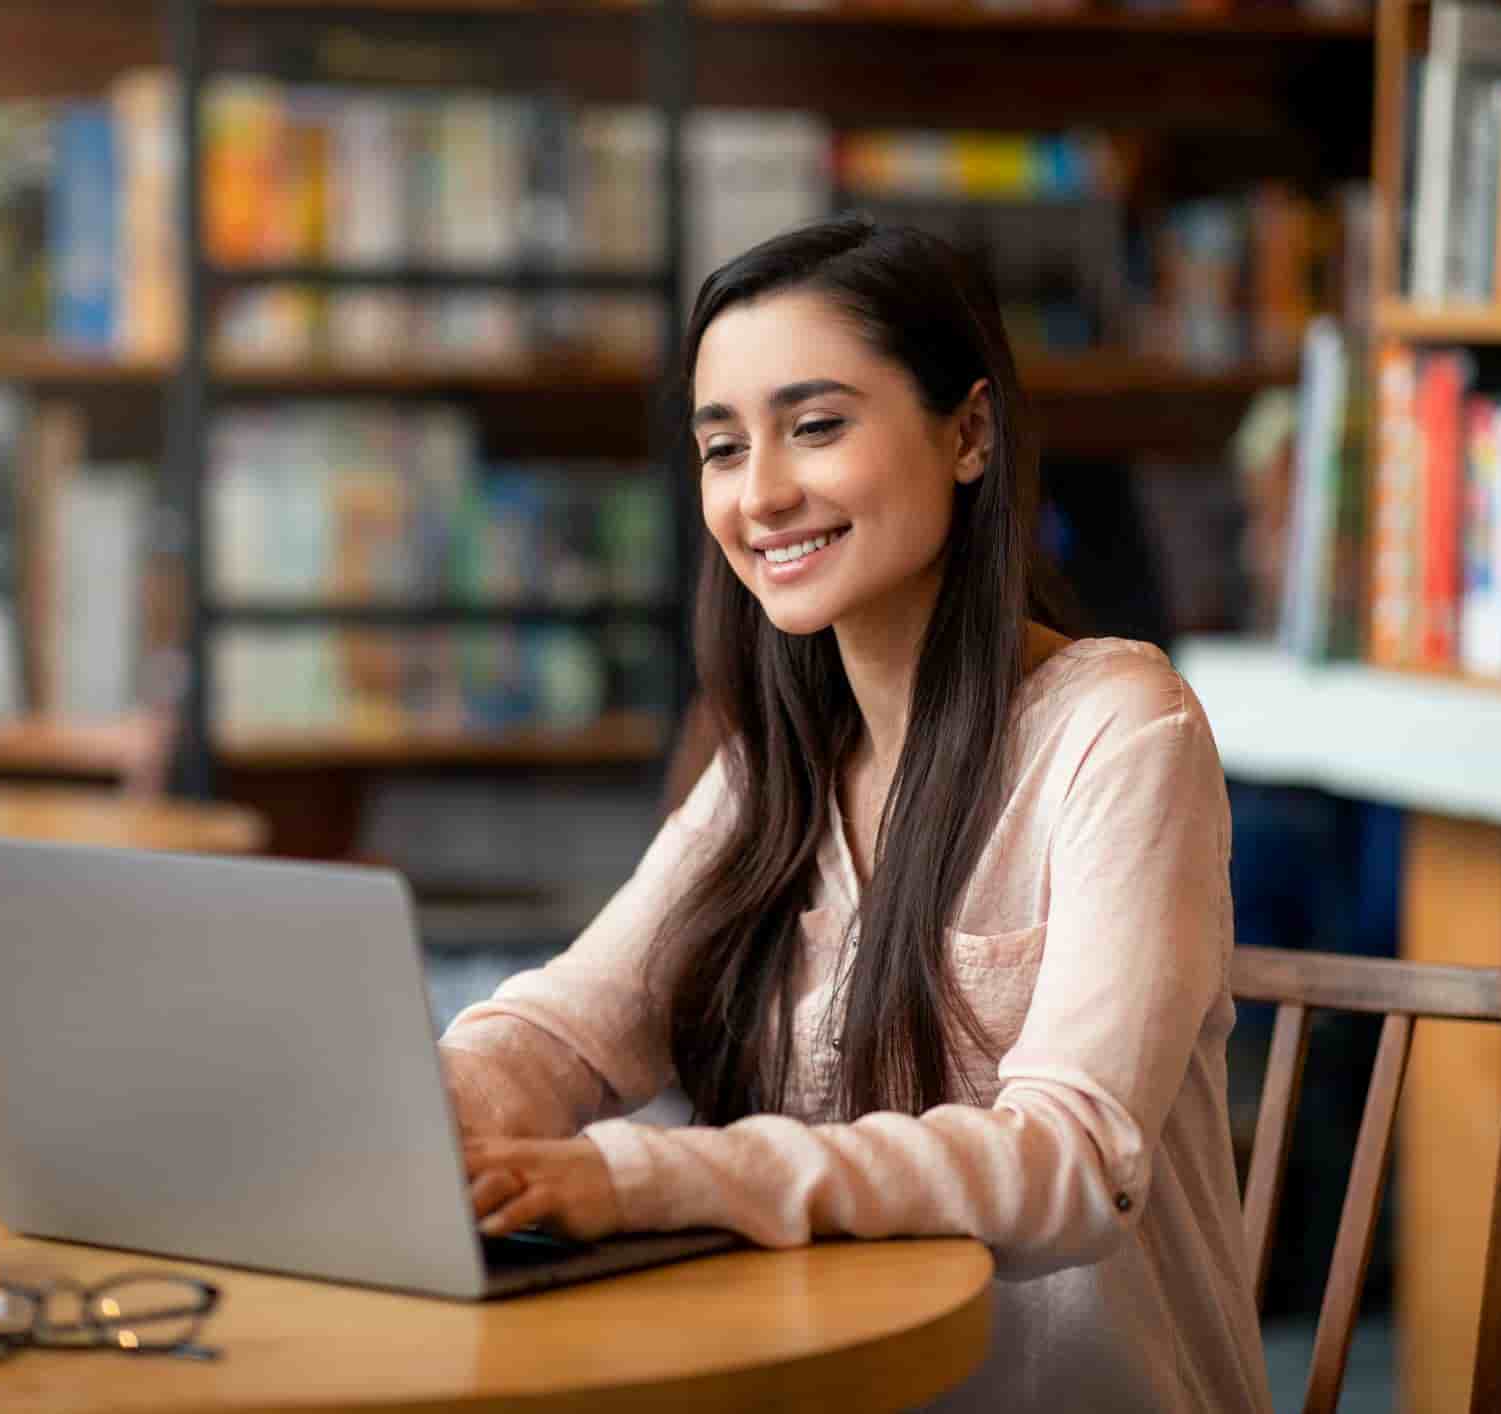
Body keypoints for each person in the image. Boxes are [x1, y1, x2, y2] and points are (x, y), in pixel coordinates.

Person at [438, 215, 1272, 1412]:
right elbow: (567, 1031)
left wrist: (649, 1177)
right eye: (723, 448)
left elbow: (1073, 1160)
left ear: (969, 433)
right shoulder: (771, 770)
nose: (763, 492)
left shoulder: (1119, 727)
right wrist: (419, 1110)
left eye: (816, 426)